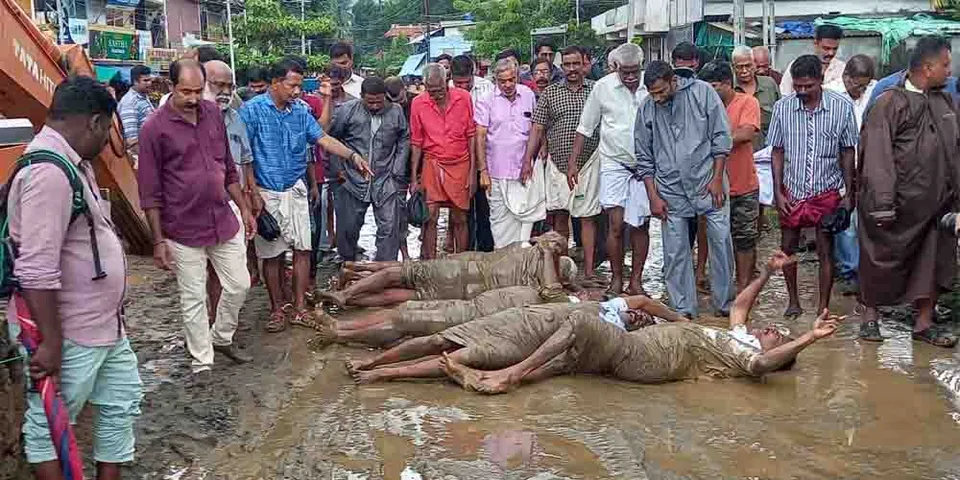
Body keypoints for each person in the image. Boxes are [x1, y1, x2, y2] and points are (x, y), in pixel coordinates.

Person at [348, 252, 839, 389]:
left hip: (651, 357)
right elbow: (740, 308)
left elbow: (764, 364)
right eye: (777, 329)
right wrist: (768, 274)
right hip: (627, 343)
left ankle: (507, 378)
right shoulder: (736, 334)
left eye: (778, 336)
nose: (773, 330)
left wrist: (808, 340)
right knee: (565, 354)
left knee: (578, 332)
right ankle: (379, 371)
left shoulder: (749, 358)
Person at [7, 76, 142, 480]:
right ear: (95, 122)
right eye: (106, 131)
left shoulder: (72, 163)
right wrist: (51, 343)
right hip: (71, 331)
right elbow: (35, 268)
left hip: (105, 326)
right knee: (50, 428)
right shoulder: (48, 172)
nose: (105, 143)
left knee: (121, 403)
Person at [138, 59, 257, 375]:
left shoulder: (213, 113)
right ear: (171, 87)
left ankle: (220, 337)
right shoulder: (153, 128)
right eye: (185, 92)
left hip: (222, 217)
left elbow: (228, 168)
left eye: (197, 91)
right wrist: (158, 241)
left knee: (240, 284)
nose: (192, 98)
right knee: (193, 297)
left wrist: (245, 208)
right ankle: (202, 362)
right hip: (182, 227)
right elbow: (149, 192)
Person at [241, 58, 369, 333]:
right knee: (272, 255)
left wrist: (352, 156)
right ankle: (277, 309)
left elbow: (322, 138)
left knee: (303, 250)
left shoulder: (299, 111)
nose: (297, 91)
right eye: (292, 85)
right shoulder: (252, 111)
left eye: (299, 86)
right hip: (266, 191)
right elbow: (245, 156)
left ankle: (299, 308)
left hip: (295, 188)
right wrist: (252, 193)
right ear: (275, 83)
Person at [858, 36, 959, 348]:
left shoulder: (945, 102)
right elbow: (876, 156)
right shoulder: (889, 103)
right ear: (927, 68)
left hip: (937, 205)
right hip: (896, 204)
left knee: (933, 262)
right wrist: (883, 203)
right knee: (879, 259)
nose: (950, 70)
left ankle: (923, 322)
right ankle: (870, 317)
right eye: (945, 64)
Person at [636, 61, 735, 319]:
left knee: (721, 241)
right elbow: (643, 156)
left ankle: (724, 305)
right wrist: (653, 196)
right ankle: (683, 310)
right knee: (675, 250)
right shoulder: (647, 107)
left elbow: (721, 137)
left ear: (673, 81)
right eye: (652, 93)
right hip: (670, 188)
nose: (657, 98)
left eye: (661, 91)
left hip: (708, 181)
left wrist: (717, 179)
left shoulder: (703, 93)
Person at [768, 55, 857, 319]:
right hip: (792, 190)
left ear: (821, 80)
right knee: (787, 247)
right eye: (798, 86)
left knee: (825, 251)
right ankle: (793, 302)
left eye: (808, 86)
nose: (803, 91)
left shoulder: (841, 107)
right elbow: (777, 151)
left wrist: (849, 193)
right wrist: (778, 193)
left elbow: (848, 151)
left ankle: (822, 307)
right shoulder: (782, 108)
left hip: (826, 190)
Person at [571, 43, 649, 295]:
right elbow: (586, 126)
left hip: (645, 164)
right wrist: (574, 162)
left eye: (635, 71)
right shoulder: (603, 87)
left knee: (641, 225)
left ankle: (636, 281)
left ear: (641, 66)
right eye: (625, 72)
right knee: (615, 224)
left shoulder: (650, 85)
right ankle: (616, 279)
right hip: (614, 163)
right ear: (616, 67)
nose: (631, 77)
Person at [318, 233, 568, 308]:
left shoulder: (524, 249)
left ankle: (348, 290)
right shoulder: (536, 287)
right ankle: (348, 296)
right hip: (464, 292)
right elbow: (554, 292)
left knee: (400, 274)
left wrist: (545, 246)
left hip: (458, 270)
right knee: (396, 295)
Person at [523, 46, 601, 279]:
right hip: (557, 162)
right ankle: (563, 270)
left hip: (589, 161)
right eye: (567, 64)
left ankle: (589, 272)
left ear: (585, 64)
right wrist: (527, 159)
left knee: (588, 217)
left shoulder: (597, 90)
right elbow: (538, 128)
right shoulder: (551, 93)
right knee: (559, 217)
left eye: (576, 63)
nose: (572, 69)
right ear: (562, 67)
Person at [200, 60, 261, 326]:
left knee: (234, 275)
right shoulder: (187, 119)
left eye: (229, 86)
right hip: (198, 207)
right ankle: (212, 323)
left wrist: (251, 196)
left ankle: (222, 328)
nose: (225, 92)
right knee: (204, 273)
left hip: (232, 204)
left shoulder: (236, 119)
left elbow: (245, 161)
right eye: (218, 85)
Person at [320, 77, 407, 261]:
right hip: (352, 177)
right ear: (361, 96)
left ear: (385, 97)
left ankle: (384, 266)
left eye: (379, 102)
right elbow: (331, 139)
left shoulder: (396, 111)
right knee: (348, 226)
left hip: (385, 177)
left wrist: (397, 169)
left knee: (389, 226)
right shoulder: (347, 110)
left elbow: (404, 138)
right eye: (370, 102)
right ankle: (348, 262)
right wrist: (339, 170)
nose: (375, 106)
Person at [699, 61, 761, 292]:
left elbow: (746, 133)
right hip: (711, 185)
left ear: (727, 83)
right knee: (715, 237)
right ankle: (720, 285)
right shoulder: (703, 106)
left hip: (743, 184)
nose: (709, 91)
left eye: (713, 86)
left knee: (745, 239)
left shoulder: (748, 102)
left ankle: (744, 287)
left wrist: (714, 142)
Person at [409, 63, 478, 259]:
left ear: (447, 82)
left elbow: (471, 135)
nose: (436, 95)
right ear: (425, 87)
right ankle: (430, 263)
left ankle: (461, 262)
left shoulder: (464, 98)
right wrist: (414, 178)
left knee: (460, 217)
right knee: (429, 216)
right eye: (431, 91)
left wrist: (473, 173)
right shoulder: (418, 103)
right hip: (432, 163)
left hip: (461, 163)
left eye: (440, 90)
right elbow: (416, 142)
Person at [476, 58, 542, 248]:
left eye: (511, 80)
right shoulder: (486, 99)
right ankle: (504, 260)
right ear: (495, 80)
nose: (507, 85)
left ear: (517, 77)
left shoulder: (528, 94)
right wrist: (483, 171)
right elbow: (480, 136)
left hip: (525, 169)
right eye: (502, 81)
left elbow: (536, 128)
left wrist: (533, 159)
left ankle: (522, 261)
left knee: (526, 217)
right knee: (500, 223)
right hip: (496, 172)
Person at [825, 54, 876, 296]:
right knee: (846, 220)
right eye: (857, 85)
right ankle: (849, 271)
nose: (861, 90)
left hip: (868, 165)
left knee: (865, 218)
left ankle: (865, 269)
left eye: (864, 86)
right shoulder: (830, 94)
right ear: (846, 77)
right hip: (839, 165)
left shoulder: (875, 91)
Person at [449, 54, 496, 253]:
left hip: (485, 156)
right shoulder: (446, 89)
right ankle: (465, 251)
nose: (462, 87)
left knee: (485, 207)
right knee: (461, 209)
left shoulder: (488, 89)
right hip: (459, 158)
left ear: (473, 74)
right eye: (458, 83)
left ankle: (486, 250)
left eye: (466, 82)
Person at [731, 45, 781, 151]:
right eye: (739, 67)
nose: (744, 71)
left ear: (754, 64)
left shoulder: (769, 85)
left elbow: (781, 116)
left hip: (767, 150)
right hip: (738, 151)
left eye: (748, 65)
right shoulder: (729, 89)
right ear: (733, 67)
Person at [781, 24, 846, 95]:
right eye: (826, 48)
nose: (831, 53)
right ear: (816, 44)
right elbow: (784, 93)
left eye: (835, 49)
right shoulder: (797, 65)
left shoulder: (842, 68)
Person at [117, 64, 154, 160]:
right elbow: (131, 142)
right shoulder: (129, 103)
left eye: (150, 80)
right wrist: (147, 159)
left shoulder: (143, 97)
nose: (149, 83)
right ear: (135, 82)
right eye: (145, 81)